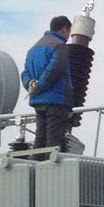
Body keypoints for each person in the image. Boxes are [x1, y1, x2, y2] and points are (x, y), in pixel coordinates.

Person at [23, 16, 74, 151]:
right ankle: (50, 164)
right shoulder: (59, 46)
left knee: (40, 139)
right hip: (56, 101)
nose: (69, 35)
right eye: (69, 31)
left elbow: (25, 72)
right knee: (54, 141)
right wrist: (40, 85)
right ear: (64, 29)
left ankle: (36, 163)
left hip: (38, 101)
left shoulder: (33, 49)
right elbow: (55, 68)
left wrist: (31, 85)